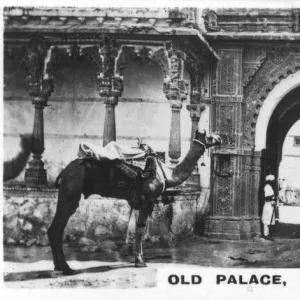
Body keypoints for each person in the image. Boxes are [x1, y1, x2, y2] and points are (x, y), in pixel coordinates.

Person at [261, 174, 277, 240]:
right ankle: (266, 234)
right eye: (272, 181)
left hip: (271, 205)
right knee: (267, 219)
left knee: (269, 219)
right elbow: (266, 197)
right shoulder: (267, 187)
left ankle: (267, 234)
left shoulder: (270, 187)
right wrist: (273, 196)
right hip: (268, 204)